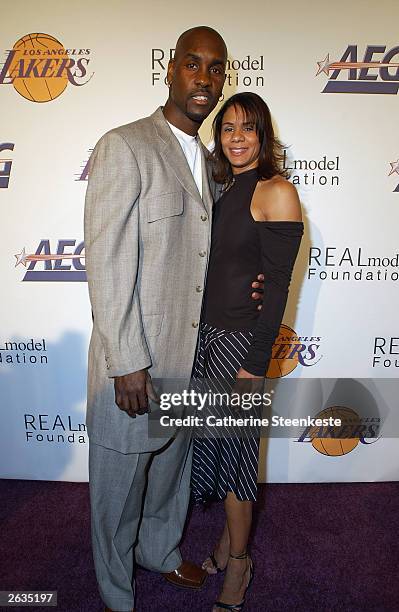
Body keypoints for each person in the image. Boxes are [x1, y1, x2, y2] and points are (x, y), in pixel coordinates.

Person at [84, 27, 262, 612]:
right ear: (171, 70)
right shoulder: (125, 145)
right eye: (193, 65)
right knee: (120, 485)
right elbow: (106, 263)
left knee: (170, 475)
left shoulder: (214, 164)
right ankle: (115, 591)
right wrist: (127, 361)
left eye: (216, 69)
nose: (204, 79)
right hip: (137, 360)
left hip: (192, 360)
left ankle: (159, 552)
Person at [190, 92, 304, 611]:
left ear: (263, 135)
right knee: (211, 452)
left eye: (248, 128)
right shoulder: (219, 186)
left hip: (241, 348)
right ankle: (222, 544)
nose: (236, 137)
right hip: (204, 340)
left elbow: (276, 288)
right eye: (228, 127)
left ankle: (239, 565)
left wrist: (255, 366)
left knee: (238, 462)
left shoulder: (275, 190)